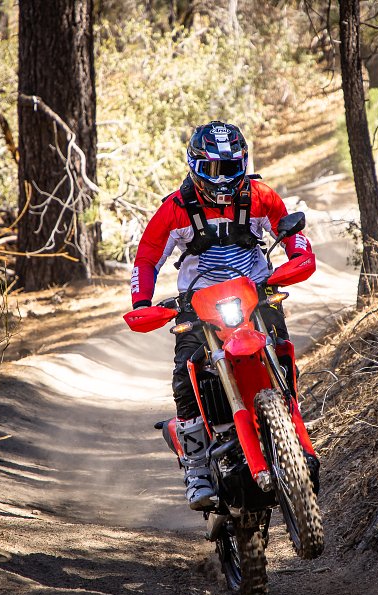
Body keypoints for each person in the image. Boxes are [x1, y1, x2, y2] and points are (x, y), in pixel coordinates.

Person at [129, 120, 315, 510]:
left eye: (229, 168)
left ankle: (292, 426)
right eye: (211, 169)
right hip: (198, 305)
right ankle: (196, 465)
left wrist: (298, 255)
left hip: (257, 294)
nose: (221, 178)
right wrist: (143, 303)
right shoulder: (175, 210)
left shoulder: (260, 195)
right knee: (186, 372)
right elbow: (147, 258)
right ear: (194, 165)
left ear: (242, 165)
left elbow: (291, 230)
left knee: (282, 351)